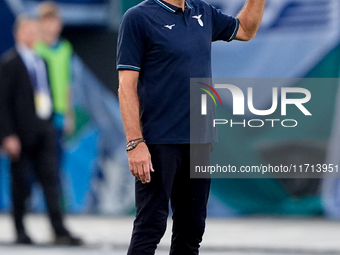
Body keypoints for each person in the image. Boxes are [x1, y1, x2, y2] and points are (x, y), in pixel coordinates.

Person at [117, 0, 265, 254]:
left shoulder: (203, 11)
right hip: (159, 141)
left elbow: (245, 30)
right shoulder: (138, 17)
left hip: (199, 141)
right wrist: (135, 143)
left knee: (191, 231)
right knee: (149, 227)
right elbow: (126, 86)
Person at [0, 15, 82, 246]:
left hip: (44, 129)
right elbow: (3, 103)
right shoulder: (10, 63)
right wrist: (7, 135)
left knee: (51, 180)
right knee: (21, 184)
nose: (34, 36)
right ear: (19, 34)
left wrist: (53, 120)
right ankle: (20, 229)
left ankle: (59, 228)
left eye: (36, 32)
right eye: (29, 32)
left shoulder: (40, 61)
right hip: (20, 133)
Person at [35, 1, 75, 193]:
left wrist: (69, 113)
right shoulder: (36, 49)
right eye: (47, 21)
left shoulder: (65, 48)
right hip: (39, 114)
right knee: (36, 161)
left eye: (54, 21)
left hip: (59, 112)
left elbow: (68, 83)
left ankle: (54, 208)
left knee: (57, 161)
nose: (51, 25)